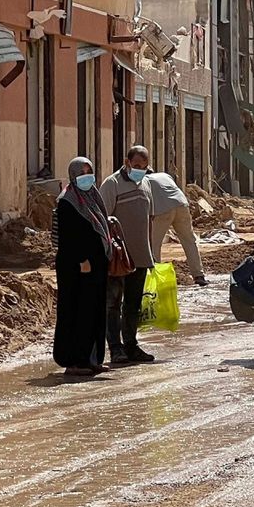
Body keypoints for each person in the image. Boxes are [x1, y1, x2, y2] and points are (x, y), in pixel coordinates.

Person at [51, 157, 110, 378]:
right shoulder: (68, 201)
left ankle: (92, 358)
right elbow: (68, 239)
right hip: (77, 267)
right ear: (73, 175)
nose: (87, 176)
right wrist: (83, 260)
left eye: (89, 171)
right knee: (76, 312)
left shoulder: (93, 196)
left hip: (96, 266)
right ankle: (74, 360)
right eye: (82, 172)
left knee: (94, 311)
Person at [100, 145, 156, 364]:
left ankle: (131, 346)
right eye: (136, 165)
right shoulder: (111, 185)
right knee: (113, 303)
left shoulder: (147, 184)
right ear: (127, 162)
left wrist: (151, 253)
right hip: (117, 259)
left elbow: (149, 220)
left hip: (140, 257)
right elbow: (103, 221)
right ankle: (115, 348)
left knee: (133, 304)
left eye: (144, 166)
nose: (140, 169)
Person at [145, 170, 207, 286]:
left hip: (162, 210)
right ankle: (199, 275)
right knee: (189, 240)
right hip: (181, 205)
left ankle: (155, 276)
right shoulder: (165, 175)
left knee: (154, 244)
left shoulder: (145, 181)